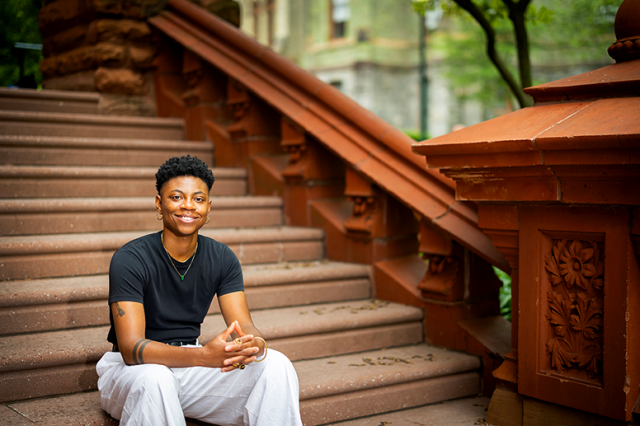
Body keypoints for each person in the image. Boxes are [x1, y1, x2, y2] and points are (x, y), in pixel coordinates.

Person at [96, 155, 303, 426]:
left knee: (276, 364)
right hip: (133, 373)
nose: (188, 207)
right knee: (157, 379)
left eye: (198, 199)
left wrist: (255, 345)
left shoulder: (222, 257)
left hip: (191, 370)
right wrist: (204, 356)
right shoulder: (130, 258)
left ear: (208, 207)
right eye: (177, 197)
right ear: (159, 204)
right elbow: (131, 349)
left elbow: (246, 326)